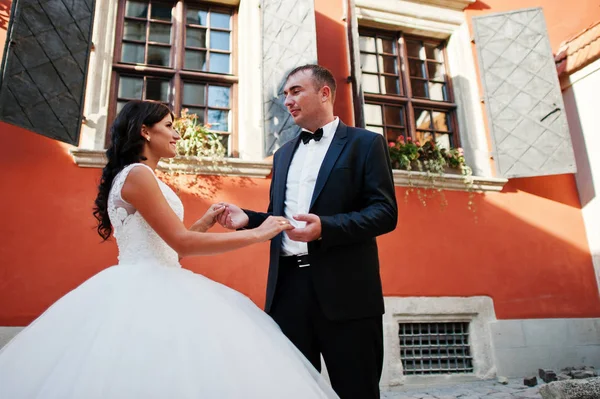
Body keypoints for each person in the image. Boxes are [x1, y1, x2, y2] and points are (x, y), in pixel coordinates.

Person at [0, 100, 339, 399]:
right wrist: (259, 234)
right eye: (169, 127)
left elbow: (173, 249)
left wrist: (205, 221)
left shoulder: (144, 175)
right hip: (143, 290)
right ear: (145, 132)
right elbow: (181, 242)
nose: (177, 135)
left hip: (159, 275)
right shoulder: (138, 175)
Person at [217, 64, 398, 399]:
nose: (287, 100)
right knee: (294, 391)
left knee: (357, 390)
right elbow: (281, 218)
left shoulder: (366, 144)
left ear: (325, 93)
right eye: (285, 94)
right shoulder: (283, 154)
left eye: (296, 91)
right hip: (288, 292)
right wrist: (251, 219)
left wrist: (325, 229)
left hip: (347, 293)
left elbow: (385, 213)